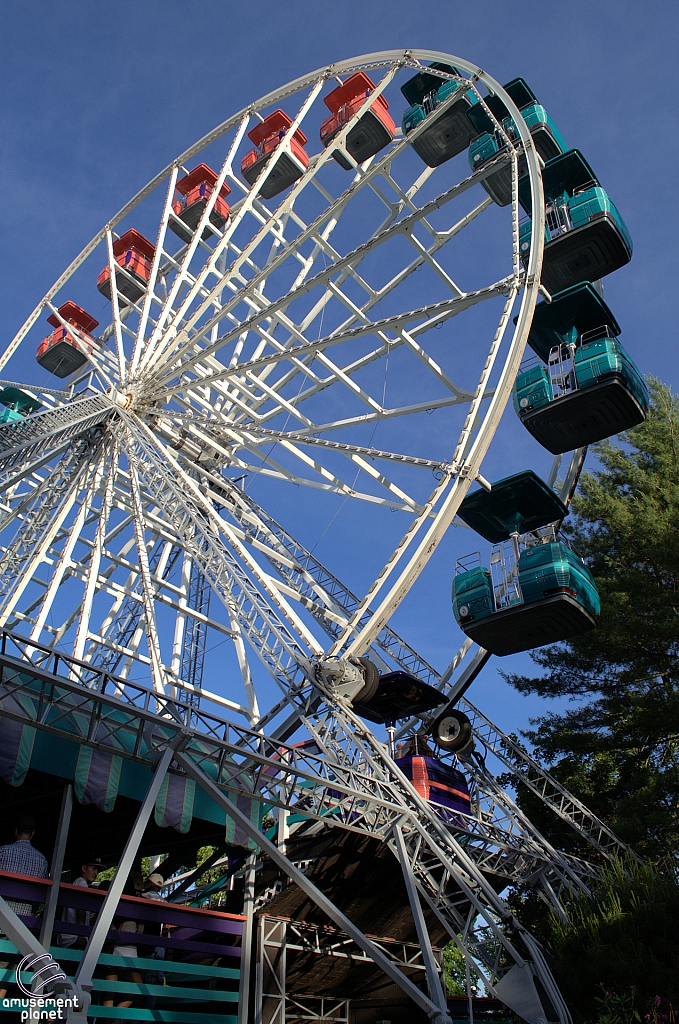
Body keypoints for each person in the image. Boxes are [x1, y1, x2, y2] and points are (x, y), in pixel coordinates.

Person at [0, 816, 48, 999]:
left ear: (15, 831)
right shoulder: (41, 860)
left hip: (1, 920)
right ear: (33, 834)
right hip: (20, 929)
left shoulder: (3, 852)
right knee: (5, 976)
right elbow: (39, 896)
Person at [58, 858, 104, 948]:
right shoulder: (82, 884)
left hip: (68, 937)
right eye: (93, 869)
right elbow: (81, 910)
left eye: (97, 870)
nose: (96, 873)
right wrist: (81, 934)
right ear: (84, 868)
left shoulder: (77, 883)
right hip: (74, 938)